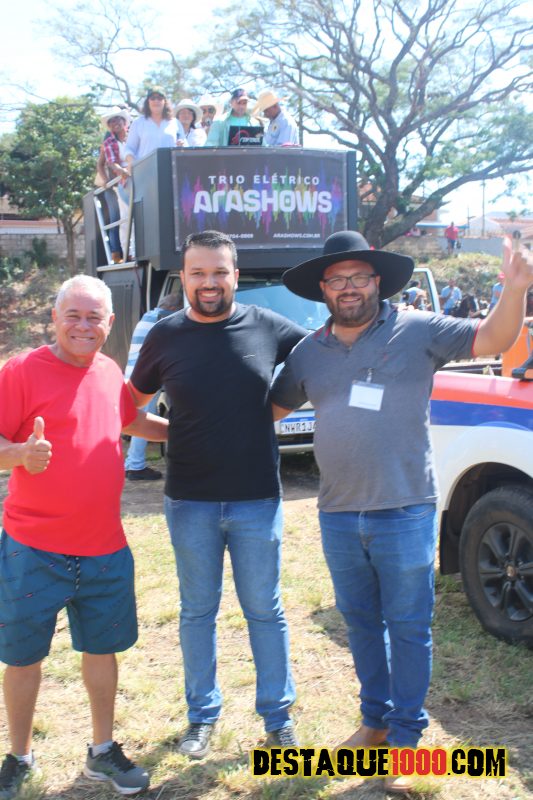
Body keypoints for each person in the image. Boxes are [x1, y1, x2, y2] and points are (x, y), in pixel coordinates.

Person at [270, 230, 533, 794]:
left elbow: (493, 337)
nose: (348, 288)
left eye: (358, 277)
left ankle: (407, 739)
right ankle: (375, 723)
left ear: (377, 282)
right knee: (361, 623)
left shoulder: (418, 330)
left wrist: (514, 290)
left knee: (409, 628)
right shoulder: (308, 352)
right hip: (338, 514)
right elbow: (269, 408)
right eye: (337, 279)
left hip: (406, 511)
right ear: (323, 289)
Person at [127, 230, 307, 758]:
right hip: (190, 501)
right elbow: (128, 409)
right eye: (198, 273)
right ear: (183, 278)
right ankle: (201, 717)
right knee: (197, 612)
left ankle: (277, 719)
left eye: (219, 272)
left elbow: (323, 358)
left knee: (264, 611)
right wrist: (175, 431)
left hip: (257, 499)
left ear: (235, 275)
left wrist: (275, 409)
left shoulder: (268, 325)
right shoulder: (165, 335)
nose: (209, 283)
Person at [0, 275, 168, 799]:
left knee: (102, 651)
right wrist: (19, 455)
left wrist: (196, 431)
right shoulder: (19, 371)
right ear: (54, 318)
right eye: (72, 315)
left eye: (94, 317)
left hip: (104, 548)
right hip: (32, 547)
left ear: (109, 323)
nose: (83, 326)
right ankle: (18, 756)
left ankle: (102, 751)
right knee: (22, 656)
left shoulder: (110, 371)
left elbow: (133, 421)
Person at [125, 293, 182, 481]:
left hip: (136, 374)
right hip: (146, 377)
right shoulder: (162, 319)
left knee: (138, 420)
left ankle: (132, 464)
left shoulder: (148, 317)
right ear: (172, 309)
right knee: (143, 422)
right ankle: (135, 466)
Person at [98, 107, 132, 263]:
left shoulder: (133, 136)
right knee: (117, 217)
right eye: (111, 121)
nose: (115, 123)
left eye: (117, 119)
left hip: (134, 177)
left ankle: (131, 250)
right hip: (117, 183)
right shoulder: (108, 142)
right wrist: (106, 180)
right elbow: (105, 163)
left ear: (124, 121)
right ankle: (118, 253)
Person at [124, 86, 187, 168]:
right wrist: (131, 162)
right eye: (152, 98)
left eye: (159, 98)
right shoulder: (138, 123)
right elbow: (129, 148)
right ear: (148, 102)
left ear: (165, 101)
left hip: (171, 169)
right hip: (145, 170)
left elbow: (185, 146)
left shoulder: (175, 123)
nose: (156, 101)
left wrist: (182, 145)